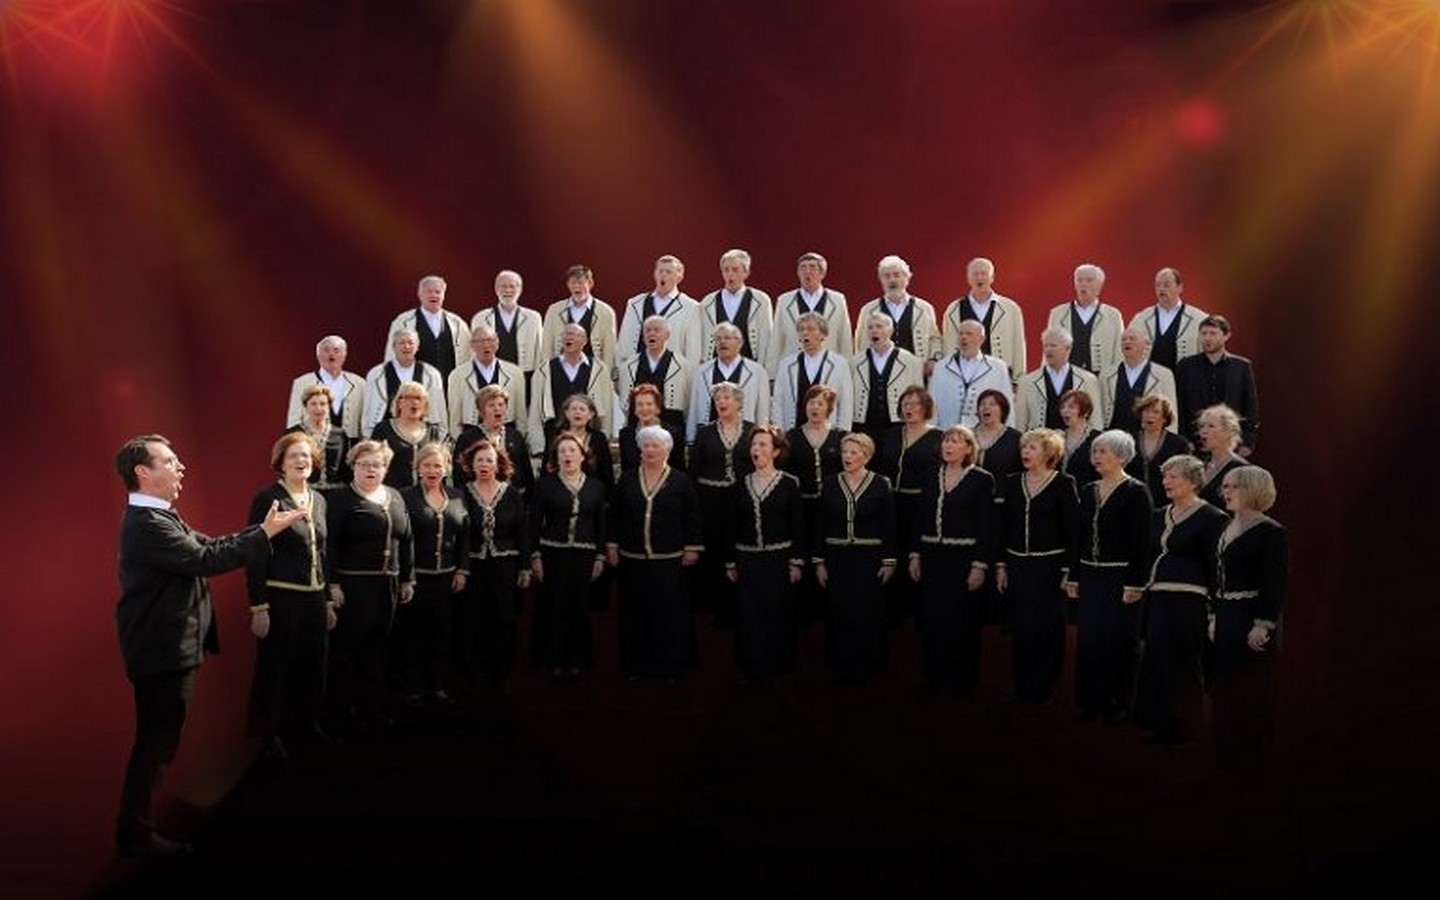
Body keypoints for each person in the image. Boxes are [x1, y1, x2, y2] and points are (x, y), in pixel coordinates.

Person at [114, 435, 309, 858]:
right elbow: (208, 561)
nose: (180, 466)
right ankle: (136, 838)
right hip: (161, 653)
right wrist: (266, 533)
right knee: (157, 745)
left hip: (170, 650)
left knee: (159, 743)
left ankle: (135, 833)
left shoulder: (162, 517)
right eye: (169, 461)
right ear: (143, 473)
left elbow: (210, 546)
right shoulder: (147, 525)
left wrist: (262, 531)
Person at [245, 433, 332, 762]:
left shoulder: (319, 500)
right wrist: (259, 606)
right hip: (281, 598)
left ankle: (307, 725)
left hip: (314, 597)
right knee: (276, 667)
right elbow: (255, 554)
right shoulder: (268, 499)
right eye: (294, 456)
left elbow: (323, 551)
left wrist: (326, 598)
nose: (301, 461)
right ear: (280, 463)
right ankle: (270, 734)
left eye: (307, 457)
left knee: (314, 665)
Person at [1133, 454, 1227, 746]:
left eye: (1173, 476)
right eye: (1164, 477)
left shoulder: (1213, 517)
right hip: (1158, 597)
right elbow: (1146, 556)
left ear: (1192, 481)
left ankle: (1185, 730)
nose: (1166, 482)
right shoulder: (1159, 514)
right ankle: (1157, 724)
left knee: (1185, 664)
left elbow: (1217, 566)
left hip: (1191, 601)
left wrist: (1217, 610)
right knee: (1156, 660)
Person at [325, 441, 415, 734]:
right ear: (353, 465)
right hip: (353, 585)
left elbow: (407, 539)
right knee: (347, 651)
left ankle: (371, 708)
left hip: (387, 585)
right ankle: (340, 712)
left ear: (386, 468)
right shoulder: (340, 500)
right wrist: (333, 584)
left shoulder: (395, 496)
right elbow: (329, 546)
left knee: (377, 649)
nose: (371, 469)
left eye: (377, 464)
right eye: (364, 464)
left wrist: (406, 578)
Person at [1067, 430, 1154, 722]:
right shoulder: (1090, 489)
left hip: (1121, 579)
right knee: (1090, 638)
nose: (1097, 457)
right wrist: (1074, 576)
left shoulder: (1136, 491)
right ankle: (1091, 698)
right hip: (1090, 576)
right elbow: (1078, 536)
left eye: (1103, 451)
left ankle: (1119, 702)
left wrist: (1135, 583)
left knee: (1119, 640)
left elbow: (1142, 542)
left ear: (1121, 456)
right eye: (1095, 451)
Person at [608, 426, 704, 679]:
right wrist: (612, 544)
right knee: (635, 613)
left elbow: (693, 518)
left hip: (670, 560)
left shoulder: (681, 481)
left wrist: (692, 548)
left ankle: (673, 665)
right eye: (646, 446)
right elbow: (615, 515)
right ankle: (636, 665)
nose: (650, 450)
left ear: (667, 451)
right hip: (633, 559)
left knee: (671, 614)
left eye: (656, 446)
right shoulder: (627, 479)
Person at [909, 425, 996, 695]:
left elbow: (986, 526)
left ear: (969, 448)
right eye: (947, 440)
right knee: (933, 617)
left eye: (957, 441)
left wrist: (980, 565)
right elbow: (919, 517)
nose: (949, 445)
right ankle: (934, 674)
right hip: (932, 556)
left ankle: (961, 678)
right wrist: (915, 555)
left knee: (962, 621)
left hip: (964, 559)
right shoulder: (930, 474)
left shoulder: (981, 479)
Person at [994, 429, 1079, 705]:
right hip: (1018, 564)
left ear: (1049, 453)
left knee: (1048, 627)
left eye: (1032, 448)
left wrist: (1069, 571)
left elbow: (1073, 531)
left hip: (1050, 566)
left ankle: (1044, 687)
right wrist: (1001, 565)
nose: (1026, 452)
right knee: (1021, 626)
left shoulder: (1064, 483)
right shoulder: (1012, 481)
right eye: (1024, 448)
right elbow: (1003, 527)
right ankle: (1022, 684)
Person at [1213, 465, 1288, 774]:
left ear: (1254, 490)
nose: (1226, 492)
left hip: (1253, 617)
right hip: (1226, 616)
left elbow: (1275, 582)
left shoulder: (1272, 531)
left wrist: (1263, 624)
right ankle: (1226, 757)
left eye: (1234, 487)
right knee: (1225, 687)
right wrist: (1215, 615)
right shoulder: (1225, 527)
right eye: (1225, 487)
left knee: (1253, 690)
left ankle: (1255, 760)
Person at [814, 432, 897, 683]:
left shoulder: (881, 483)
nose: (847, 457)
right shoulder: (829, 483)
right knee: (839, 611)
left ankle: (867, 665)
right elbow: (820, 524)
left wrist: (889, 561)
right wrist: (819, 561)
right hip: (837, 558)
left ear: (867, 456)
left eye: (853, 452)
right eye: (844, 452)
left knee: (867, 613)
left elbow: (890, 525)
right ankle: (839, 664)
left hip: (868, 560)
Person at [725, 426, 806, 683]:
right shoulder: (740, 484)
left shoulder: (789, 484)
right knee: (749, 614)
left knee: (778, 613)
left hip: (779, 560)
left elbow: (799, 526)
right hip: (747, 560)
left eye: (763, 445)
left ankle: (778, 664)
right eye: (754, 445)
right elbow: (731, 526)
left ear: (776, 451)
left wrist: (796, 562)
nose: (756, 450)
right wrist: (730, 562)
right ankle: (752, 665)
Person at [392, 443, 468, 706]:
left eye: (438, 465)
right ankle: (411, 685)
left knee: (442, 633)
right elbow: (401, 539)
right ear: (418, 468)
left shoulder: (458, 496)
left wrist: (462, 569)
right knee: (412, 633)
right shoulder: (405, 496)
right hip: (416, 579)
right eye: (427, 465)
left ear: (447, 467)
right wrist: (405, 577)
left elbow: (465, 537)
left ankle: (437, 685)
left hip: (446, 578)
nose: (433, 470)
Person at [529, 432, 608, 682]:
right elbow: (533, 524)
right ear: (556, 457)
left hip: (584, 555)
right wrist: (535, 556)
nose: (567, 455)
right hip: (552, 553)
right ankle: (551, 659)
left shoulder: (597, 487)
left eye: (572, 451)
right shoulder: (545, 485)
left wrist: (600, 556)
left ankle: (577, 659)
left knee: (579, 607)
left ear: (583, 456)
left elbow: (601, 525)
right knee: (554, 606)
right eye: (562, 451)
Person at [456, 438, 530, 695]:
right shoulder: (461, 492)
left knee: (503, 618)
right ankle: (473, 671)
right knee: (472, 619)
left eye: (489, 460)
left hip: (504, 564)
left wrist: (524, 567)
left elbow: (522, 531)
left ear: (499, 464)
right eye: (479, 460)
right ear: (471, 465)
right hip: (473, 565)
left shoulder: (511, 493)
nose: (484, 464)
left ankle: (501, 673)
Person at [688, 381, 756, 623]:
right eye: (717, 399)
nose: (722, 402)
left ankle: (737, 606)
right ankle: (709, 605)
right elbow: (693, 472)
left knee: (737, 550)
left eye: (727, 398)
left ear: (738, 402)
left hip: (741, 501)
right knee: (712, 550)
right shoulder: (705, 432)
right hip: (709, 502)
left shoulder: (752, 431)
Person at [875, 385, 942, 626]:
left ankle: (915, 611)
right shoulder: (891, 434)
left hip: (920, 504)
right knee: (891, 553)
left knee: (916, 556)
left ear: (926, 408)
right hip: (892, 503)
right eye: (905, 404)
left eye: (914, 404)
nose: (909, 408)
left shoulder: (938, 437)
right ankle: (891, 610)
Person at [782, 385, 847, 627]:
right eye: (811, 403)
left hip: (832, 509)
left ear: (829, 408)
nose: (814, 407)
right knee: (803, 553)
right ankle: (803, 608)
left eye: (820, 403)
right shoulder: (792, 436)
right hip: (802, 507)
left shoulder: (841, 436)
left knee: (829, 556)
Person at [1175, 315, 1259, 456]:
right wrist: (1184, 440)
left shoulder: (1241, 367)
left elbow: (1250, 406)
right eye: (1204, 333)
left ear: (1226, 336)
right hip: (1195, 444)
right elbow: (1179, 404)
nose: (1207, 338)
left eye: (1213, 333)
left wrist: (1248, 442)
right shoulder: (1186, 366)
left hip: (1231, 444)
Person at [528, 323, 615, 457]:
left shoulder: (599, 369)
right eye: (567, 334)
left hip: (588, 438)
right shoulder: (544, 369)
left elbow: (607, 408)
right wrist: (538, 446)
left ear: (585, 341)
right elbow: (535, 409)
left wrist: (604, 438)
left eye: (576, 335)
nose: (570, 338)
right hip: (554, 436)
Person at [941, 257, 1027, 386]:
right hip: (965, 377)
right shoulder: (954, 309)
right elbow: (948, 345)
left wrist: (1018, 381)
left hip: (1000, 376)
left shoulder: (1010, 308)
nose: (979, 277)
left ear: (992, 278)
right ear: (968, 278)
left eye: (984, 273)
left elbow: (1019, 346)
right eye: (975, 274)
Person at [852, 255, 941, 372]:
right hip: (881, 372)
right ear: (881, 280)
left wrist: (933, 359)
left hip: (916, 372)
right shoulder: (868, 310)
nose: (892, 280)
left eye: (896, 275)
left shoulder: (924, 308)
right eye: (887, 276)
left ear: (906, 278)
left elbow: (935, 338)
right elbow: (861, 342)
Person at [768, 251, 853, 374]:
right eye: (803, 268)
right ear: (798, 273)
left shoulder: (837, 299)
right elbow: (776, 337)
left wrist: (847, 370)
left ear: (822, 273)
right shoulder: (784, 300)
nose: (807, 272)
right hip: (793, 366)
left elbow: (844, 336)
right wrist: (772, 373)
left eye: (812, 267)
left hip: (828, 367)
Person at [771, 311, 855, 430]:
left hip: (828, 434)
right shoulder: (786, 364)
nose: (805, 333)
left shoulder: (839, 364)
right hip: (793, 432)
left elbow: (846, 402)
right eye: (801, 329)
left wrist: (842, 434)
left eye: (810, 328)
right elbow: (778, 402)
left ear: (823, 334)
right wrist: (780, 433)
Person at [687, 322, 770, 441]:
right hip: (708, 437)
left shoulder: (757, 371)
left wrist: (762, 438)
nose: (722, 342)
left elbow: (762, 410)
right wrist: (690, 439)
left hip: (745, 438)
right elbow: (694, 408)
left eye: (727, 338)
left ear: (739, 343)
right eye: (718, 339)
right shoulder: (702, 371)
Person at [384, 274, 473, 384]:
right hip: (415, 386)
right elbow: (391, 354)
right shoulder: (403, 321)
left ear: (443, 295)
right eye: (429, 291)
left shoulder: (458, 323)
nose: (433, 295)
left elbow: (469, 355)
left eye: (437, 292)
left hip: (449, 386)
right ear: (420, 294)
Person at [614, 314, 693, 437]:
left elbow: (688, 400)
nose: (652, 334)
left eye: (657, 330)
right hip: (637, 424)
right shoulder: (628, 366)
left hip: (672, 425)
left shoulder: (684, 366)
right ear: (643, 336)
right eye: (648, 330)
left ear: (667, 335)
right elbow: (624, 398)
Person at [447, 323, 528, 442]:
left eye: (490, 340)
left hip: (506, 437)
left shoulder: (515, 373)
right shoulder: (457, 375)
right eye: (480, 341)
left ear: (497, 343)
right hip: (472, 438)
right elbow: (454, 419)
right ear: (472, 345)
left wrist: (518, 441)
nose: (486, 345)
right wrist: (462, 443)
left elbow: (521, 415)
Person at [1013, 327, 1103, 432]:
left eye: (1053, 345)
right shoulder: (1027, 381)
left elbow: (1096, 419)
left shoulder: (1088, 379)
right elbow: (1020, 421)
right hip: (1041, 444)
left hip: (1076, 443)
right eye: (1045, 346)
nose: (1048, 349)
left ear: (1068, 348)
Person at [617, 254, 702, 365]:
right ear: (655, 274)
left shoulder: (691, 307)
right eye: (660, 271)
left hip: (671, 373)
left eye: (668, 272)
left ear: (679, 277)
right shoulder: (635, 303)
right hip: (637, 371)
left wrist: (690, 379)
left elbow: (693, 351)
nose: (663, 275)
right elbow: (624, 342)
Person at [850, 310, 924, 438]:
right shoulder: (854, 362)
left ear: (890, 330)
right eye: (870, 327)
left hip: (897, 424)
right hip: (864, 425)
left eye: (879, 326)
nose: (874, 330)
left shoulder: (910, 360)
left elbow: (919, 396)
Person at [451, 384, 534, 498]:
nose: (497, 409)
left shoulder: (515, 436)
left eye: (501, 405)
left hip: (513, 500)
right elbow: (459, 475)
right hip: (477, 499)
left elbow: (526, 473)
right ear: (481, 410)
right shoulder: (467, 438)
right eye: (491, 405)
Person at [470, 269, 545, 393]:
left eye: (512, 286)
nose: (507, 290)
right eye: (503, 286)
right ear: (496, 289)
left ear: (520, 290)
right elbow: (473, 351)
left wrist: (539, 380)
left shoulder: (534, 317)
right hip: (490, 376)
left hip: (524, 376)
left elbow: (539, 350)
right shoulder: (480, 318)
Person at [362, 328, 447, 437]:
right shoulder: (376, 374)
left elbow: (439, 410)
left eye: (411, 343)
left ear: (417, 347)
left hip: (421, 434)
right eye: (402, 343)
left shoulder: (432, 374)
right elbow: (368, 411)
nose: (406, 346)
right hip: (385, 435)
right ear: (393, 347)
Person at [931, 319, 1013, 429]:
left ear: (981, 339)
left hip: (984, 434)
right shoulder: (941, 367)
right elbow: (932, 402)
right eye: (961, 334)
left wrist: (1007, 435)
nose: (964, 337)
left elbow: (1006, 404)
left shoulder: (998, 367)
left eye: (969, 334)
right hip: (949, 433)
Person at [697, 248, 773, 366]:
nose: (730, 274)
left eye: (735, 270)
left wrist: (764, 370)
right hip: (716, 366)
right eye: (726, 270)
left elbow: (766, 338)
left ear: (746, 272)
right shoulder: (708, 302)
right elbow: (702, 338)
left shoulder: (761, 300)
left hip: (749, 367)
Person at [1047, 263, 1125, 376]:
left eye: (1089, 280)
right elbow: (1049, 348)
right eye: (1079, 280)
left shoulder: (1113, 315)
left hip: (1100, 378)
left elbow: (1119, 352)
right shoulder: (1058, 314)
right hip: (1066, 377)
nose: (1083, 284)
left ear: (1099, 285)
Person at [1098, 326, 1178, 435]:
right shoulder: (1106, 374)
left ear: (1146, 345)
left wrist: (1169, 442)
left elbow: (1171, 412)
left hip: (1148, 437)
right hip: (1114, 437)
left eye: (1132, 339)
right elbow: (1099, 409)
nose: (1127, 342)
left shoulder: (1163, 374)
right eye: (1124, 339)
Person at [539, 263, 620, 370]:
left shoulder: (605, 312)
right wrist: (547, 372)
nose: (576, 287)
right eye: (573, 283)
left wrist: (605, 375)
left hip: (593, 371)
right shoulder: (554, 310)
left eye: (581, 283)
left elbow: (610, 350)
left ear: (590, 283)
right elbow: (546, 346)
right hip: (561, 370)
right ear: (568, 284)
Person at [286, 334, 367, 440]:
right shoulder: (302, 383)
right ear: (318, 355)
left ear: (344, 355)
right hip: (313, 444)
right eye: (326, 350)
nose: (331, 354)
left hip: (350, 446)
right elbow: (294, 420)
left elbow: (365, 419)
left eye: (336, 350)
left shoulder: (359, 383)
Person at [1129, 267, 1209, 371]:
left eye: (1166, 285)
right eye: (1158, 285)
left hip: (1185, 383)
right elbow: (1128, 351)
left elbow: (1209, 356)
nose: (1161, 289)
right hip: (1149, 383)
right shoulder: (1141, 319)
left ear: (1180, 288)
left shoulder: (1200, 319)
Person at [371, 382, 448, 488]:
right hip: (393, 493)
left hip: (425, 495)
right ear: (399, 402)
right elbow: (373, 462)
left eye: (419, 398)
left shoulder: (433, 432)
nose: (414, 402)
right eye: (409, 398)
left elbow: (441, 466)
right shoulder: (383, 429)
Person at [1125, 394, 1193, 506]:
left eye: (1155, 412)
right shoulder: (1129, 440)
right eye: (1146, 411)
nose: (1149, 416)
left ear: (1165, 418)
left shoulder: (1179, 444)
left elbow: (1186, 476)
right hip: (1132, 503)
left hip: (1165, 504)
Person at [542, 393, 615, 489]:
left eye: (582, 409)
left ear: (591, 415)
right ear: (566, 413)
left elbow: (606, 472)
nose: (577, 412)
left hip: (592, 492)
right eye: (574, 409)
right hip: (558, 490)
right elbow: (547, 467)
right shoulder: (555, 437)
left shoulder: (599, 439)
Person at [287, 383, 351, 490]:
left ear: (329, 407)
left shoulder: (340, 434)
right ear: (305, 406)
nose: (318, 408)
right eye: (313, 404)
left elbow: (346, 468)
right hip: (304, 493)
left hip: (335, 493)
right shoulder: (293, 433)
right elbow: (285, 466)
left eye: (323, 404)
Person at [618, 383, 684, 473]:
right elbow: (625, 471)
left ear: (657, 408)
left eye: (649, 404)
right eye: (640, 404)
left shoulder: (674, 434)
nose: (644, 408)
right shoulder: (625, 435)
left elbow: (679, 470)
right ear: (634, 409)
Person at [1195, 404, 1250, 508]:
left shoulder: (1241, 469)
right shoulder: (1200, 465)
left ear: (1228, 432)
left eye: (1211, 426)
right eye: (1202, 426)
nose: (1203, 431)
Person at [973, 389, 1022, 494]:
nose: (986, 407)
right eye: (982, 404)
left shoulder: (1016, 438)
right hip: (969, 497)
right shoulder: (966, 436)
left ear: (1003, 410)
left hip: (1001, 498)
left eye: (992, 404)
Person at [1058, 388, 1100, 489]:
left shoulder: (1098, 438)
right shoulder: (1057, 437)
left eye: (1071, 407)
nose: (1065, 411)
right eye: (1063, 407)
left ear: (1085, 412)